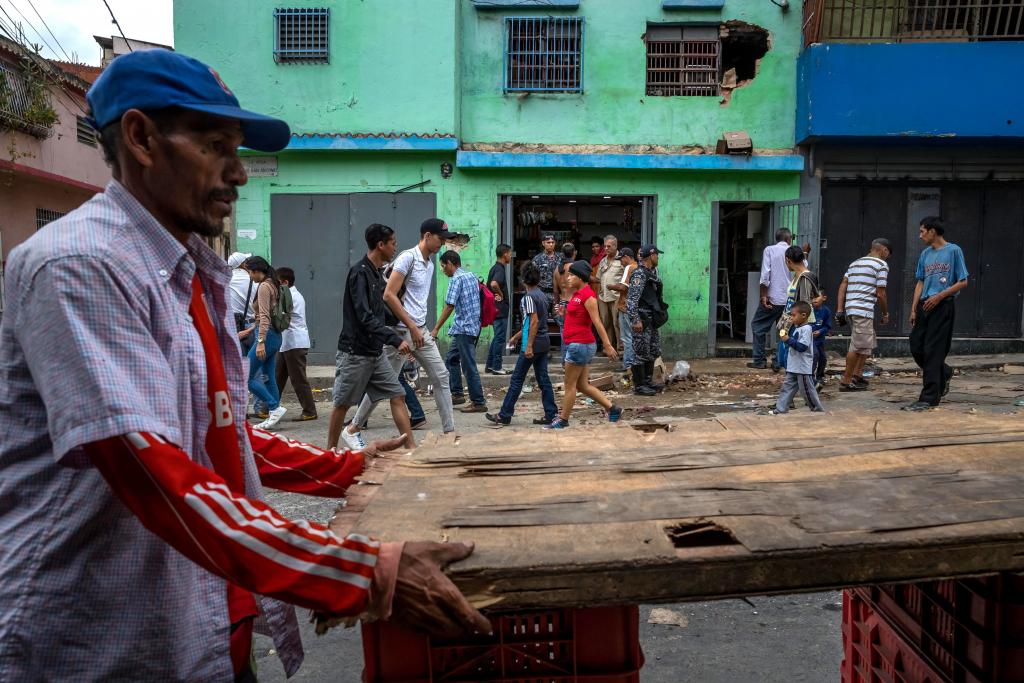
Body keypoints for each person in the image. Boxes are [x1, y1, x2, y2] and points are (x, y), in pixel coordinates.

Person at [0, 49, 487, 682]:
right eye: (216, 146)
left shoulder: (186, 273)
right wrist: (359, 570)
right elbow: (153, 470)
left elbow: (213, 429)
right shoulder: (81, 265)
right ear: (142, 138)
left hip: (201, 614)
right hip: (100, 636)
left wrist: (344, 467)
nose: (240, 174)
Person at [348, 218, 457, 437]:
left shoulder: (431, 264)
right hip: (401, 333)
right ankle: (353, 428)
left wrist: (419, 329)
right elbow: (389, 294)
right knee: (382, 386)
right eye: (440, 239)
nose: (442, 244)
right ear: (427, 236)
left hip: (420, 331)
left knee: (441, 376)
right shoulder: (408, 258)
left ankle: (450, 433)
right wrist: (411, 327)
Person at [328, 224, 416, 452]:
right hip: (355, 352)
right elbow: (365, 316)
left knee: (397, 394)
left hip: (375, 353)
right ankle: (330, 451)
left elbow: (381, 313)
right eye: (393, 243)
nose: (395, 247)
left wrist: (405, 324)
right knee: (342, 404)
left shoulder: (377, 274)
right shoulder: (359, 273)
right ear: (381, 245)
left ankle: (412, 448)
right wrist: (395, 339)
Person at [546, 260, 622, 429]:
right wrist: (564, 314)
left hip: (579, 345)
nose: (568, 278)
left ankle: (563, 420)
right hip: (578, 344)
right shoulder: (577, 295)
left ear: (580, 277)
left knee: (569, 385)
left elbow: (597, 322)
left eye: (572, 275)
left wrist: (608, 345)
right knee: (582, 385)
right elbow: (577, 319)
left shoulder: (588, 296)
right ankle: (613, 408)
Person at [904, 217, 969, 411]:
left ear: (933, 231)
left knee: (934, 350)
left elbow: (963, 281)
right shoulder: (925, 254)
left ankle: (929, 397)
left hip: (943, 306)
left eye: (923, 231)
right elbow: (920, 282)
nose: (920, 235)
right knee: (916, 346)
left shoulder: (953, 251)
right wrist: (914, 308)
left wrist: (940, 296)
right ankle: (944, 371)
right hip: (925, 305)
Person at [485, 262, 558, 426]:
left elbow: (533, 322)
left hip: (533, 343)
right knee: (543, 379)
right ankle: (551, 413)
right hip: (543, 341)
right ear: (538, 280)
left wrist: (528, 345)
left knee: (517, 379)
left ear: (523, 279)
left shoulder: (528, 298)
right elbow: (533, 323)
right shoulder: (541, 296)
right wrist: (516, 337)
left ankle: (505, 414)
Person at [432, 250, 487, 413]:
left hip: (464, 327)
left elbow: (449, 305)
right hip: (470, 326)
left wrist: (435, 329)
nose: (443, 270)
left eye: (443, 266)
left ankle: (478, 401)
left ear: (450, 263)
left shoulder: (456, 279)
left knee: (468, 365)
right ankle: (456, 393)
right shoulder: (471, 275)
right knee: (451, 359)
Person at [835, 238, 891, 392]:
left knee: (867, 343)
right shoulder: (881, 265)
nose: (887, 258)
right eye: (888, 254)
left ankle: (857, 375)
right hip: (863, 309)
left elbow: (843, 285)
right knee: (858, 346)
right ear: (884, 250)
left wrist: (840, 309)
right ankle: (846, 381)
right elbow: (881, 294)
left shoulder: (854, 263)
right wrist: (885, 313)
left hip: (852, 309)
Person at [242, 256, 288, 429]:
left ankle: (274, 407)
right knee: (269, 378)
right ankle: (273, 413)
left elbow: (265, 316)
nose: (249, 276)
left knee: (246, 377)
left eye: (249, 272)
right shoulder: (273, 283)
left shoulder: (263, 287)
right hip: (274, 336)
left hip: (266, 336)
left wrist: (260, 341)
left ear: (256, 270)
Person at [274, 267, 317, 421]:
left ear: (285, 282)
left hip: (294, 343)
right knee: (278, 376)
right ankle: (271, 407)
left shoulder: (292, 297)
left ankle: (309, 410)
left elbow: (282, 318)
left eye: (277, 282)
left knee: (298, 379)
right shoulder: (288, 295)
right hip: (287, 343)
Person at [766, 301, 825, 414]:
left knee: (807, 390)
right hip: (794, 366)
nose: (791, 318)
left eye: (793, 315)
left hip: (802, 367)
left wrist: (788, 340)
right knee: (787, 388)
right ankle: (781, 408)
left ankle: (816, 408)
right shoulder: (797, 328)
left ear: (803, 315)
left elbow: (802, 346)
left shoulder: (807, 329)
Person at [748, 228, 793, 370]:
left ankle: (759, 360)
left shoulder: (769, 250)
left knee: (758, 326)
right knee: (783, 331)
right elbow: (804, 268)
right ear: (789, 238)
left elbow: (765, 275)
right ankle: (778, 361)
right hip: (789, 301)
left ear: (778, 238)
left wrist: (763, 296)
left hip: (772, 299)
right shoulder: (795, 251)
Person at [626, 245, 667, 397]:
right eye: (657, 255)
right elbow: (631, 300)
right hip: (642, 320)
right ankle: (639, 386)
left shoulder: (651, 273)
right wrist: (635, 320)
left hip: (651, 320)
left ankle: (648, 382)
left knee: (652, 351)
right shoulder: (639, 274)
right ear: (650, 256)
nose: (658, 257)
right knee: (640, 352)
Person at [774, 246, 822, 372]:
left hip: (796, 322)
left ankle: (807, 382)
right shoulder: (799, 275)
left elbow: (804, 303)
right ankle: (801, 382)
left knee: (790, 356)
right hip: (790, 321)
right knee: (786, 355)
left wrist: (798, 324)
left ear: (787, 260)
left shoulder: (804, 278)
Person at [609, 247, 637, 374]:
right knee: (631, 337)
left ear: (626, 257)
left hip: (625, 306)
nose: (621, 262)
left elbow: (622, 287)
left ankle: (627, 364)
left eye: (621, 259)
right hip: (632, 307)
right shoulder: (637, 267)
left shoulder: (629, 267)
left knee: (626, 337)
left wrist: (610, 286)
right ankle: (631, 364)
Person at [485, 243, 512, 375]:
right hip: (500, 310)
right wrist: (501, 294)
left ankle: (490, 365)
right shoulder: (499, 269)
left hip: (497, 310)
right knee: (500, 338)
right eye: (510, 253)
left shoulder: (495, 268)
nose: (511, 256)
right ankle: (497, 366)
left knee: (497, 338)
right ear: (505, 254)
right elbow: (494, 283)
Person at [595, 235, 623, 356]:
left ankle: (621, 350)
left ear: (615, 246)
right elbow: (598, 278)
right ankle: (609, 349)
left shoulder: (622, 260)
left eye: (609, 246)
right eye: (605, 246)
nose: (606, 248)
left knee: (617, 323)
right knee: (605, 322)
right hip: (603, 296)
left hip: (617, 296)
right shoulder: (603, 260)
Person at [228, 250, 254, 353]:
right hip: (252, 326)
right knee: (256, 365)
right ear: (243, 265)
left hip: (233, 327)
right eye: (246, 261)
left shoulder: (225, 280)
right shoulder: (253, 280)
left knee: (239, 365)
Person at [531, 233, 563, 309]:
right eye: (548, 242)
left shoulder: (561, 258)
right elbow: (533, 277)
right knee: (542, 318)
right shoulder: (537, 259)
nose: (551, 244)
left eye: (553, 242)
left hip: (558, 294)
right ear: (543, 243)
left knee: (559, 318)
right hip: (542, 293)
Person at [811, 295, 832, 391]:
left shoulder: (826, 311)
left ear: (824, 298)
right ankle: (810, 377)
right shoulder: (808, 310)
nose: (814, 300)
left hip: (819, 339)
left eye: (816, 297)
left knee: (822, 358)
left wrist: (820, 331)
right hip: (810, 340)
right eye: (812, 297)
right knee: (814, 357)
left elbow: (827, 326)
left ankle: (819, 376)